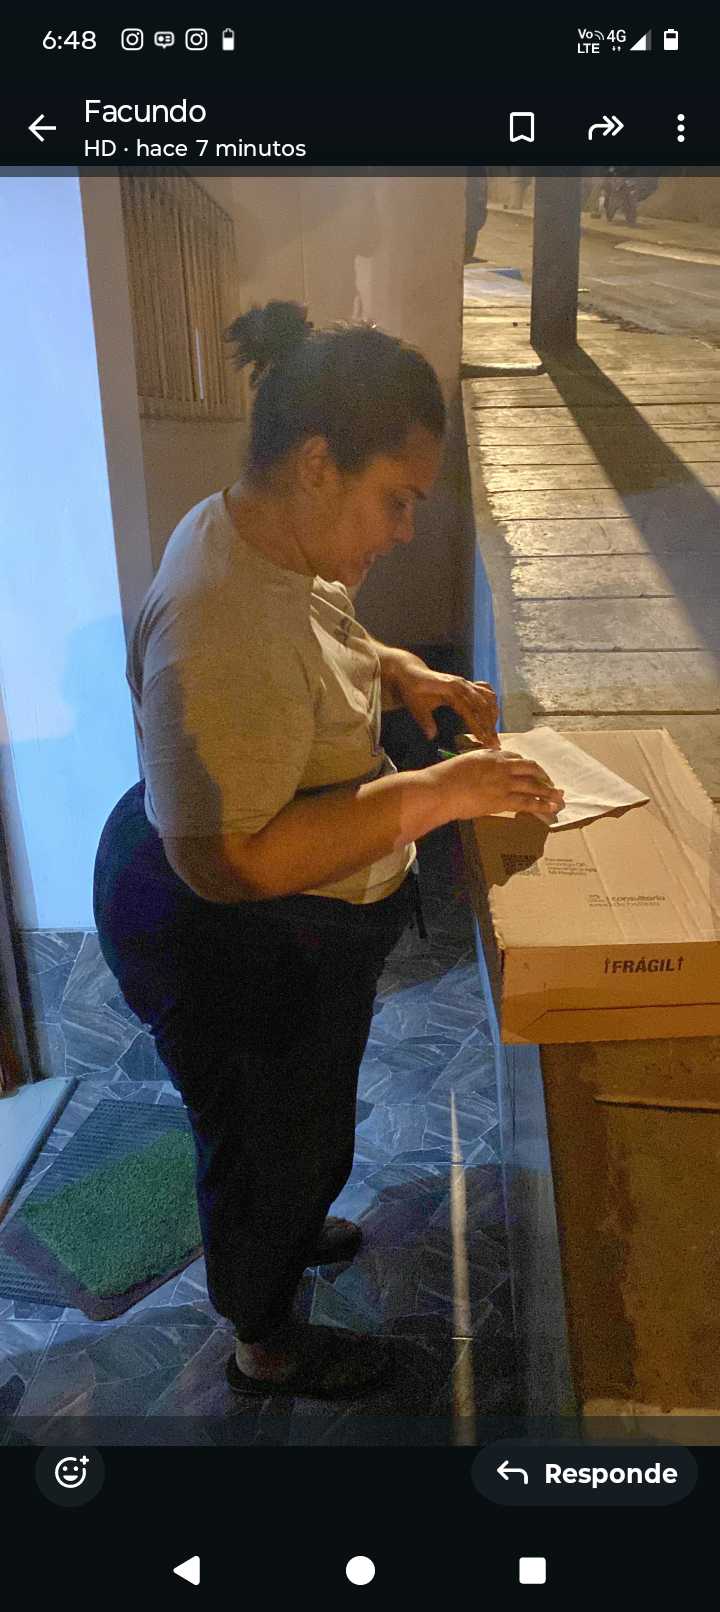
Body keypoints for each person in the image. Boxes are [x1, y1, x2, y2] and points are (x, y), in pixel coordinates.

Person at [93, 301, 564, 1401]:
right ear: (317, 463)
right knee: (265, 1143)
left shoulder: (260, 534)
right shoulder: (220, 621)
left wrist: (402, 672)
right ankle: (265, 1339)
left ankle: (293, 1223)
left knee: (302, 1123)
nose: (402, 531)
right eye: (396, 499)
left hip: (276, 918)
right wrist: (433, 794)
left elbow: (325, 629)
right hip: (225, 934)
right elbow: (229, 863)